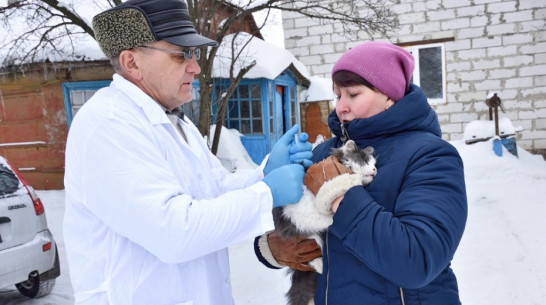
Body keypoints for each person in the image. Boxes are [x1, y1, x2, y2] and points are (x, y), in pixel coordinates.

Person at [63, 0, 313, 304]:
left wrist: (265, 173)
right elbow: (173, 231)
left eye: (193, 54)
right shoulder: (107, 125)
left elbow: (213, 190)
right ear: (132, 63)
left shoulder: (175, 121)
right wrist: (266, 194)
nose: (194, 66)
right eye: (181, 54)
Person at [255, 41, 468, 304]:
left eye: (353, 95)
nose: (341, 107)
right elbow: (292, 229)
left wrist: (340, 196)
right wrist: (272, 243)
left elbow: (418, 260)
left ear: (390, 96)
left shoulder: (431, 157)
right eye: (338, 95)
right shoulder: (324, 154)